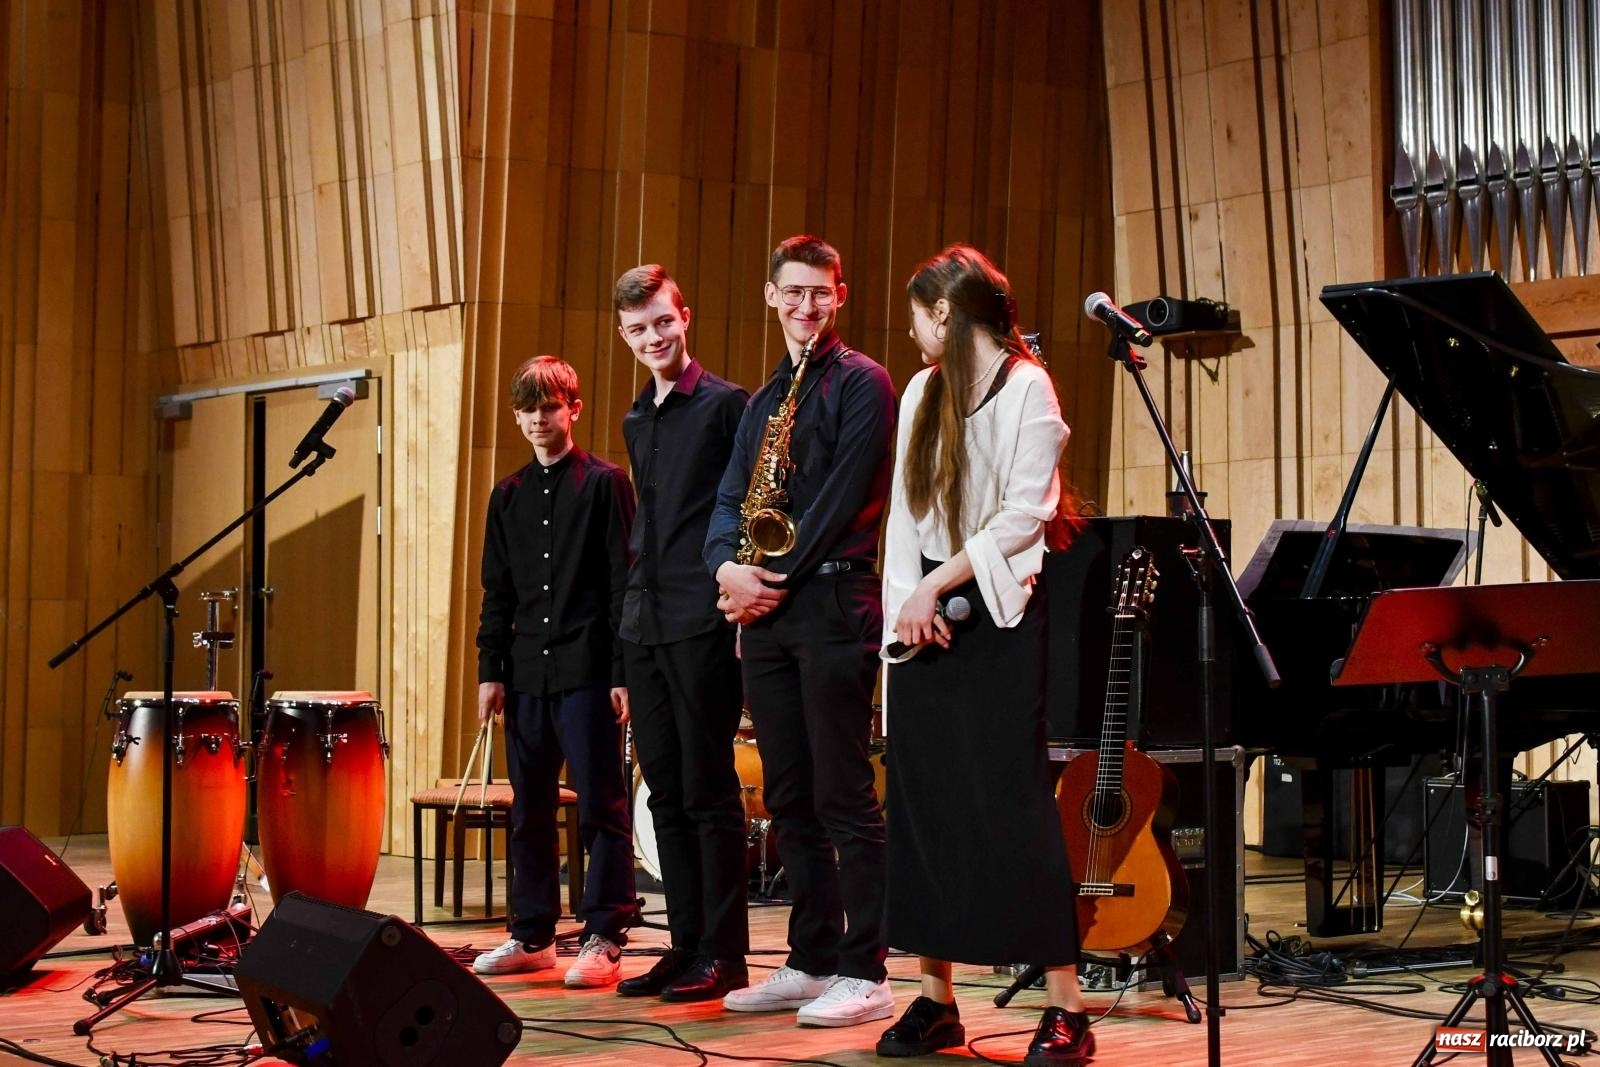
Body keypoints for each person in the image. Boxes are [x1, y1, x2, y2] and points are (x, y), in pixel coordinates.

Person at [876, 245, 1093, 1063]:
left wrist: (942, 587)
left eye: (917, 314)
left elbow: (1022, 517)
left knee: (1010, 806)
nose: (909, 330)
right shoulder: (923, 392)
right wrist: (908, 604)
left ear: (947, 314)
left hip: (997, 610)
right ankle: (936, 999)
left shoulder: (1029, 388)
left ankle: (1066, 1005)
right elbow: (903, 513)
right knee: (926, 805)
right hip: (924, 614)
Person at [703, 234, 897, 1027]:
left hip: (832, 602)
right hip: (770, 614)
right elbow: (726, 503)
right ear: (770, 295)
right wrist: (726, 571)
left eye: (821, 292)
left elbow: (848, 494)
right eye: (794, 292)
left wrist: (766, 581)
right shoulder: (761, 403)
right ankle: (813, 957)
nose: (807, 306)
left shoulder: (865, 383)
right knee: (788, 795)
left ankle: (869, 968)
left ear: (839, 296)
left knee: (844, 792)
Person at [472, 355, 640, 989]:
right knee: (530, 810)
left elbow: (625, 583)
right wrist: (491, 669)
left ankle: (605, 933)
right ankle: (533, 932)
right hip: (525, 674)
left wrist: (623, 670)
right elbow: (497, 592)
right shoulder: (507, 494)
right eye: (528, 410)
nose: (539, 419)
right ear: (517, 417)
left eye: (550, 407)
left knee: (601, 804)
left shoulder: (605, 484)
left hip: (591, 671)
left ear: (573, 409)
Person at [612, 265, 752, 1001]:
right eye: (638, 329)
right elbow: (646, 534)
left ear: (684, 315)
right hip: (646, 623)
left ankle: (724, 952)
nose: (653, 337)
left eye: (662, 322)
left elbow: (743, 513)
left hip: (702, 619)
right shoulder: (637, 419)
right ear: (625, 335)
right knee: (662, 792)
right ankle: (685, 942)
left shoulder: (730, 406)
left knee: (708, 789)